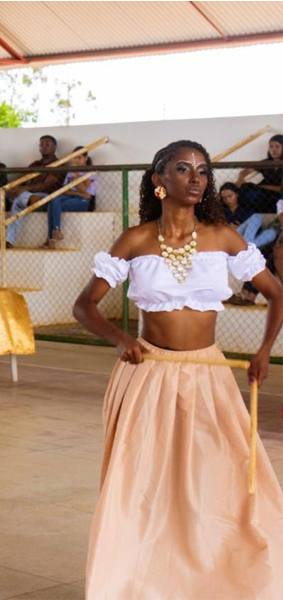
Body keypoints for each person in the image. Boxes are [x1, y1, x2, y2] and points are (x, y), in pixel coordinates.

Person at [72, 140, 283, 599]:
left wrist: (265, 350)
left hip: (209, 375)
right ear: (159, 180)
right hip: (149, 372)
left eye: (203, 171)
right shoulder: (135, 240)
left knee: (221, 476)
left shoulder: (223, 237)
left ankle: (219, 579)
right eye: (183, 168)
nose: (196, 178)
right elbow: (84, 305)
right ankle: (135, 581)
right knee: (143, 481)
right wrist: (120, 338)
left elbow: (276, 292)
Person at [5, 135, 62, 247]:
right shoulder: (35, 164)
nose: (43, 147)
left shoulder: (58, 164)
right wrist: (13, 187)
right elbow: (22, 178)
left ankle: (28, 198)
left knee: (21, 197)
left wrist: (25, 188)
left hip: (47, 198)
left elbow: (46, 185)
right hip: (30, 196)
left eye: (47, 145)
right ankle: (9, 241)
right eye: (41, 145)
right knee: (15, 198)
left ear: (54, 147)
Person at [41, 147, 97, 249]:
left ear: (86, 158)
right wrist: (78, 193)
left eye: (79, 157)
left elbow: (85, 191)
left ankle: (51, 238)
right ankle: (56, 232)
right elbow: (65, 190)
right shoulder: (70, 172)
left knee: (53, 205)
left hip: (83, 202)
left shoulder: (90, 172)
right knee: (53, 202)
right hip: (71, 197)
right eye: (75, 158)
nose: (76, 160)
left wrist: (76, 176)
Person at [237, 134, 282, 214]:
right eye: (271, 147)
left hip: (276, 195)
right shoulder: (266, 162)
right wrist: (240, 179)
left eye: (277, 147)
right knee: (244, 188)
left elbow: (280, 189)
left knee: (252, 195)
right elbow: (245, 171)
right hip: (262, 191)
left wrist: (262, 187)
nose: (273, 150)